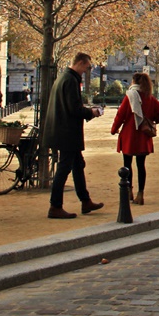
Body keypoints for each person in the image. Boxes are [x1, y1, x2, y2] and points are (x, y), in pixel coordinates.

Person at [44, 52, 104, 219]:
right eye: (86, 67)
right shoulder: (70, 80)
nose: (86, 71)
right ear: (79, 63)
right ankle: (55, 206)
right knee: (64, 168)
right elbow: (74, 109)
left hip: (63, 130)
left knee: (78, 165)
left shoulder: (64, 77)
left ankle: (85, 201)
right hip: (67, 133)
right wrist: (91, 112)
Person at [111, 73, 159, 205]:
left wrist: (114, 129)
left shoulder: (130, 96)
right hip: (143, 135)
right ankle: (140, 194)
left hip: (130, 135)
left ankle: (128, 191)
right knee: (141, 166)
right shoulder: (149, 97)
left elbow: (121, 115)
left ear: (134, 81)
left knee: (127, 165)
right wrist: (153, 121)